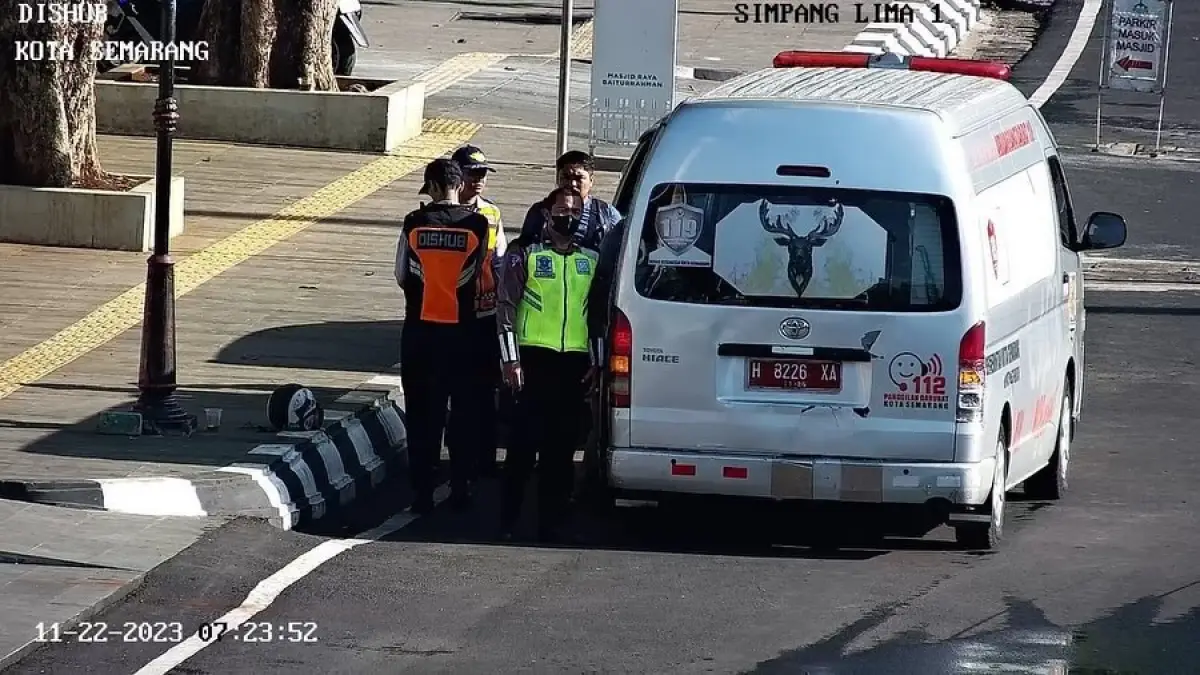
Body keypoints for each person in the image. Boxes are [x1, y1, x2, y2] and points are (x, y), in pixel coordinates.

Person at [496, 186, 603, 541]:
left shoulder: (591, 259)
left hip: (573, 367)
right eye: (561, 211)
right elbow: (506, 308)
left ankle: (550, 524)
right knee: (522, 451)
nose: (567, 217)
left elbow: (601, 315)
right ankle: (508, 520)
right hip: (531, 364)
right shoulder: (523, 254)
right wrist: (510, 360)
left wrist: (597, 361)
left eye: (575, 212)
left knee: (559, 454)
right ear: (546, 213)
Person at [394, 158, 493, 514]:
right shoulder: (478, 225)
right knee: (463, 413)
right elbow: (481, 268)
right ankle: (461, 487)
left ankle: (422, 493)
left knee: (423, 414)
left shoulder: (413, 223)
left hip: (420, 333)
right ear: (458, 183)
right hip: (464, 334)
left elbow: (401, 274)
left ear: (433, 187)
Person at [447, 144, 506, 478]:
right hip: (451, 317)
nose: (479, 180)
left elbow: (500, 261)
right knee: (455, 393)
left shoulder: (492, 214)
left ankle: (485, 458)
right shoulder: (441, 217)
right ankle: (458, 461)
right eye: (473, 174)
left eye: (483, 174)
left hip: (485, 316)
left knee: (486, 392)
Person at [517, 151, 621, 255]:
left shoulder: (607, 215)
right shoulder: (539, 211)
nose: (572, 183)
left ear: (591, 181)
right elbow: (522, 250)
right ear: (557, 179)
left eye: (579, 178)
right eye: (566, 177)